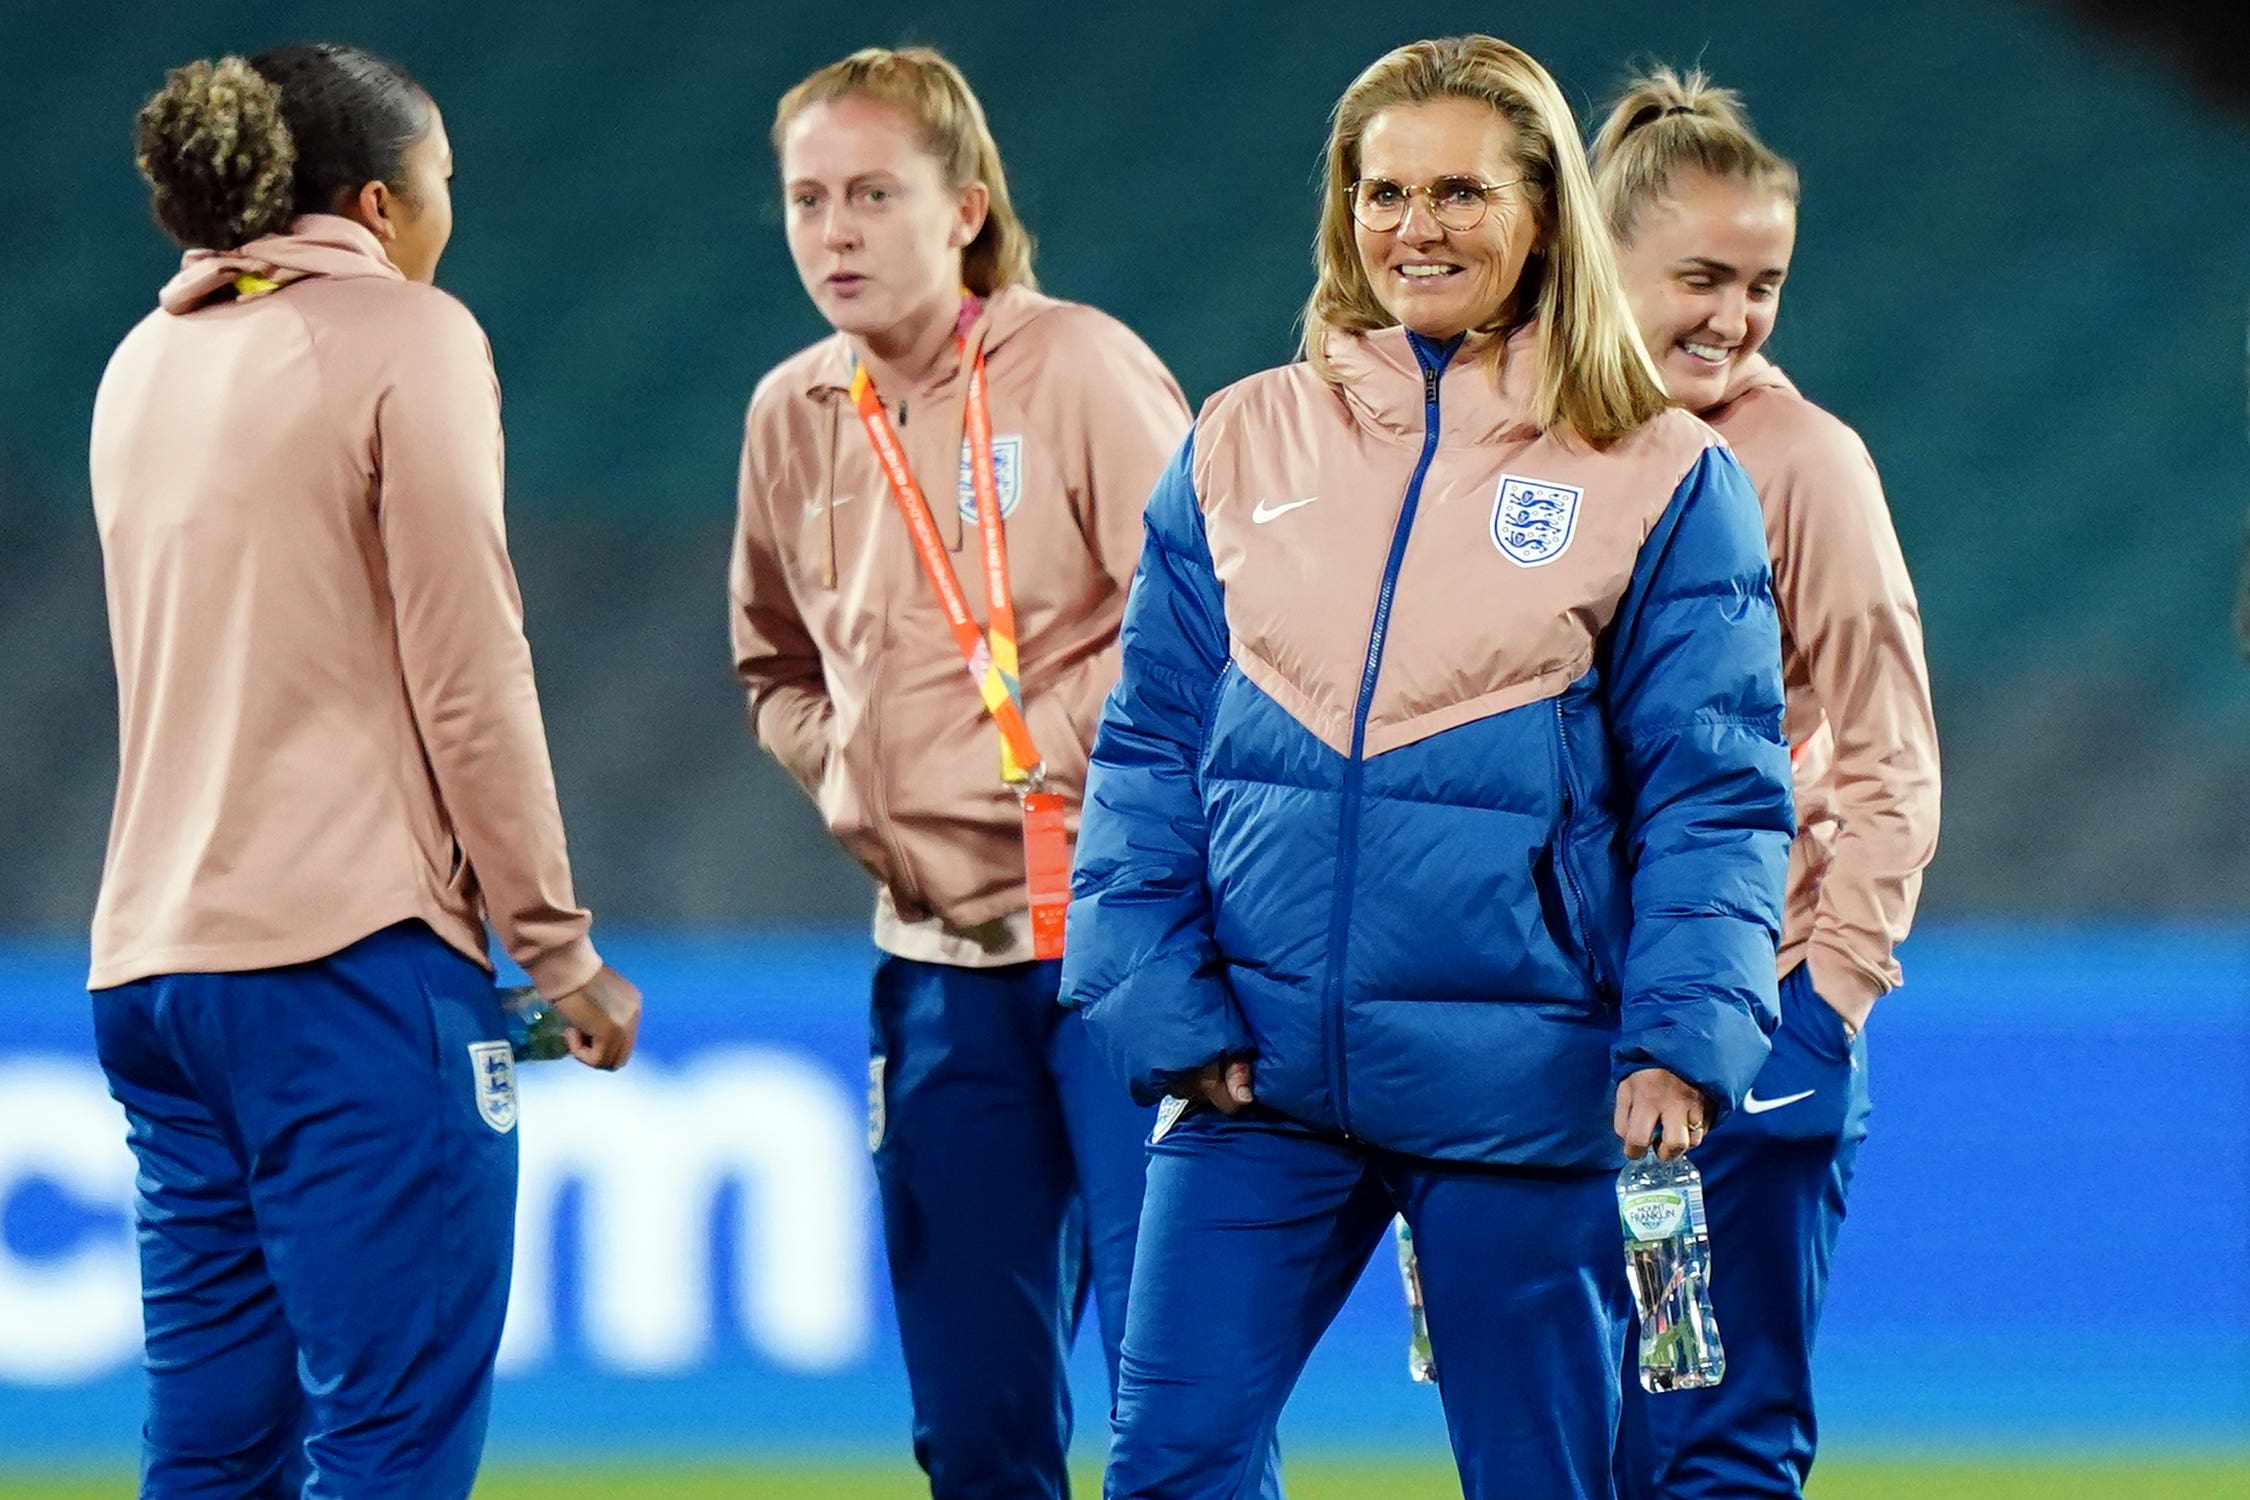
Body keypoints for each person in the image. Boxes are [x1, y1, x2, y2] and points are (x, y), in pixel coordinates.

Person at [1062, 33, 1795, 1500]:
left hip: (1519, 1089)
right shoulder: (1233, 441)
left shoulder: (1654, 470)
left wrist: (1679, 1037)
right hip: (1251, 1089)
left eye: (1459, 190)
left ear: (1541, 211)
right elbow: (1142, 751)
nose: (1415, 226)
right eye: (1381, 190)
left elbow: (1715, 792)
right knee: (1168, 1468)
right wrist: (1160, 998)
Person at [91, 44, 641, 1500]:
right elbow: (470, 674)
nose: (453, 203)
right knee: (389, 1449)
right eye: (446, 174)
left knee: (212, 1460)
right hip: (347, 969)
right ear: (382, 204)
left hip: (156, 976)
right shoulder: (408, 335)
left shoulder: (142, 361)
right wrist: (556, 949)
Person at [729, 46, 1229, 1498]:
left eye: (872, 193)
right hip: (936, 972)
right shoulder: (793, 415)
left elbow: (1214, 621)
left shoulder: (1074, 365)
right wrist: (859, 784)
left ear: (963, 208)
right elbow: (771, 666)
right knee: (974, 1431)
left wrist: (1043, 765)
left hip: (1122, 950)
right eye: (807, 197)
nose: (834, 230)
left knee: (1176, 1413)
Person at [1591, 67, 1942, 1500]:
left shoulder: (1801, 462)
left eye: (1762, 283)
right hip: (1557, 1034)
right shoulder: (1522, 449)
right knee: (1569, 1442)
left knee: (1711, 1447)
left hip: (1742, 1025)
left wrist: (1823, 1002)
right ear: (1592, 263)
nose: (1731, 318)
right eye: (1698, 278)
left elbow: (1886, 745)